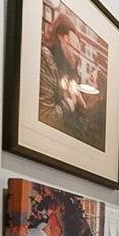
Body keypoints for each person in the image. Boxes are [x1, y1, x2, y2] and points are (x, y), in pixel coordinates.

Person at [39, 13, 104, 149]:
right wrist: (70, 102)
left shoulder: (68, 72)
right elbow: (45, 117)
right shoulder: (45, 59)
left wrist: (83, 106)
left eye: (79, 51)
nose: (77, 55)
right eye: (74, 48)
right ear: (60, 38)